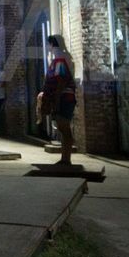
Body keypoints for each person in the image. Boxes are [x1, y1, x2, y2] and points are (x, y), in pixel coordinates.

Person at [43, 34, 77, 165]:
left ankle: (66, 159)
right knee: (63, 128)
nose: (47, 47)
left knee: (64, 127)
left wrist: (56, 100)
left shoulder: (60, 59)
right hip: (62, 97)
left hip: (64, 97)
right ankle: (64, 158)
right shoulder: (60, 58)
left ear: (52, 45)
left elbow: (61, 81)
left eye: (48, 44)